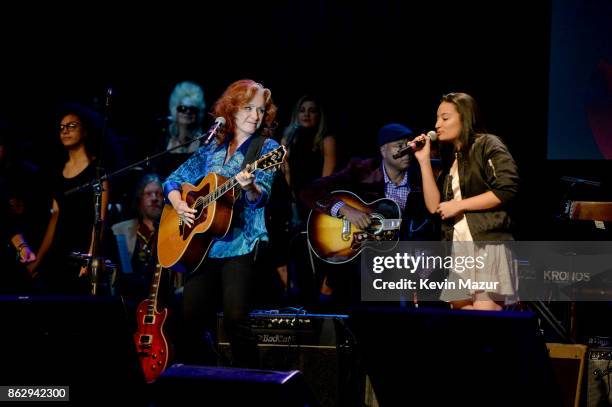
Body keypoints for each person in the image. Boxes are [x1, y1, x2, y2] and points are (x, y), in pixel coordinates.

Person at [163, 79, 280, 367]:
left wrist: (250, 186)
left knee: (236, 319)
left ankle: (249, 384)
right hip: (204, 247)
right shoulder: (212, 147)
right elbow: (172, 180)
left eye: (261, 110)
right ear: (231, 110)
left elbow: (259, 199)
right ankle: (206, 378)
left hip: (240, 244)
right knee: (187, 319)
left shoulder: (267, 148)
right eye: (248, 108)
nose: (255, 116)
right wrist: (180, 204)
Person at [300, 123, 438, 309]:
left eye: (408, 144)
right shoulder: (361, 170)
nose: (406, 150)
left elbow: (429, 227)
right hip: (362, 263)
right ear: (383, 150)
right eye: (399, 145)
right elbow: (309, 190)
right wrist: (345, 210)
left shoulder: (422, 178)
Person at [413, 92, 519, 310]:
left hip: (487, 244)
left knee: (485, 312)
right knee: (463, 319)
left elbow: (506, 189)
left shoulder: (487, 144)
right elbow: (435, 207)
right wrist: (423, 161)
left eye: (445, 118)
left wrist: (459, 205)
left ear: (465, 117)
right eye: (437, 118)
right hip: (459, 247)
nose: (437, 125)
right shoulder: (452, 157)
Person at [27, 104, 110, 295]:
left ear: (86, 130)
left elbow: (101, 219)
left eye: (72, 125)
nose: (65, 131)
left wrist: (91, 257)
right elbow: (56, 215)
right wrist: (38, 259)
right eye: (62, 127)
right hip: (58, 252)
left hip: (82, 252)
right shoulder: (57, 172)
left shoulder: (97, 170)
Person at [155, 81, 207, 179]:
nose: (187, 112)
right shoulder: (164, 139)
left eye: (192, 109)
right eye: (182, 108)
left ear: (198, 114)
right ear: (175, 110)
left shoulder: (205, 141)